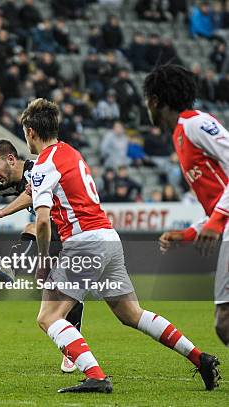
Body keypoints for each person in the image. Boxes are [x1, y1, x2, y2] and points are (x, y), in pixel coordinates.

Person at [18, 98, 219, 393]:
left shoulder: (43, 165)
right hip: (109, 239)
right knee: (131, 314)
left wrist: (43, 261)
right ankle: (199, 357)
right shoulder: (72, 153)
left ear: (31, 132)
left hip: (84, 243)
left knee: (48, 317)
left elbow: (44, 221)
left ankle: (97, 377)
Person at [0, 139, 84, 374]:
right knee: (60, 295)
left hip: (78, 232)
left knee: (33, 230)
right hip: (62, 234)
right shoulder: (18, 182)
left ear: (11, 159)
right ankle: (73, 345)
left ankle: (10, 267)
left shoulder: (35, 170)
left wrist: (2, 212)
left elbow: (32, 197)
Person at [143, 64, 229, 346]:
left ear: (155, 100)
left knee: (225, 321)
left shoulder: (195, 123)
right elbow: (218, 201)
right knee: (224, 322)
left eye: (147, 101)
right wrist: (189, 234)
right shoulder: (179, 134)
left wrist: (217, 221)